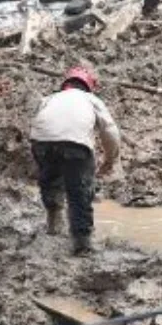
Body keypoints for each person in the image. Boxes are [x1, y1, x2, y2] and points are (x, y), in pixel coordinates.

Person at [28, 66, 121, 255]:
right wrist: (110, 160)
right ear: (89, 87)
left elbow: (38, 121)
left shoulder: (50, 98)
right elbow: (110, 131)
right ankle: (82, 244)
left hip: (42, 142)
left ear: (65, 84)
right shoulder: (91, 99)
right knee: (79, 192)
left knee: (50, 181)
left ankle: (53, 222)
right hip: (76, 145)